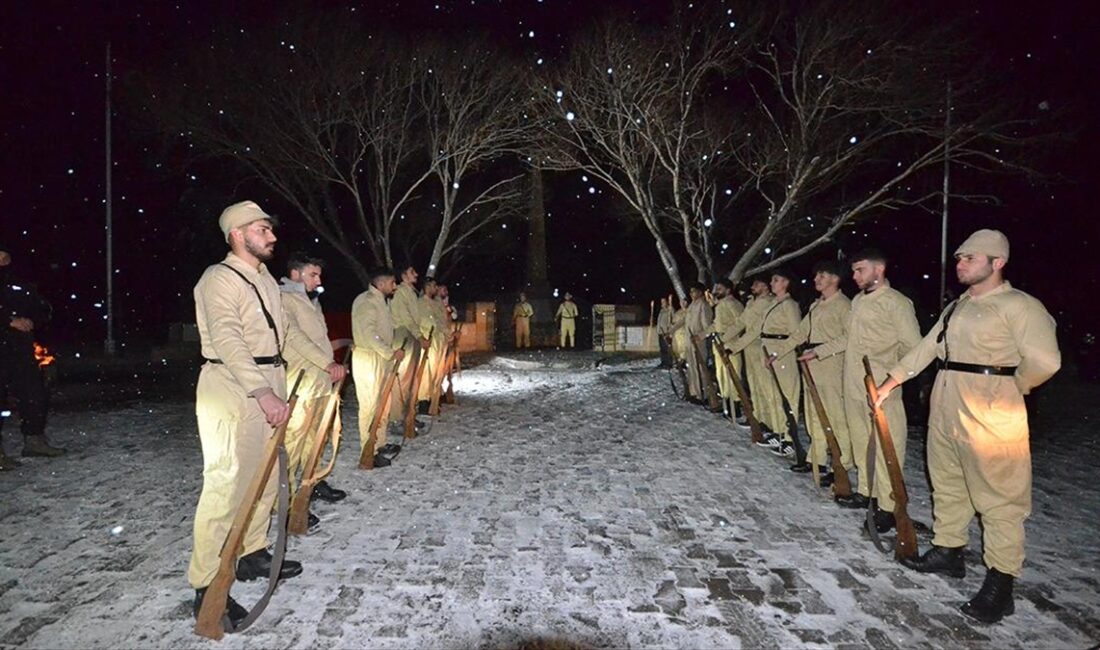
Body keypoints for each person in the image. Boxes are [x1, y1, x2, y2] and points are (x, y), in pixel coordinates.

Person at [876, 230, 1060, 624]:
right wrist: (890, 381)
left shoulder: (1019, 306)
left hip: (992, 410)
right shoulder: (957, 307)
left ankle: (1001, 582)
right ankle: (948, 550)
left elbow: (1046, 361)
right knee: (947, 480)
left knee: (1000, 498)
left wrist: (1010, 387)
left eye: (970, 258)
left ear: (997, 263)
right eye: (959, 257)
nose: (960, 263)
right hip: (946, 404)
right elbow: (928, 347)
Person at [189, 201, 320, 624]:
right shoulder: (219, 279)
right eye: (262, 229)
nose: (272, 237)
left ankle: (252, 553)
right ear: (237, 234)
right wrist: (262, 392)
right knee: (226, 485)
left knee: (264, 479)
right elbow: (229, 341)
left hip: (269, 382)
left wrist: (322, 365)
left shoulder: (264, 280)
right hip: (232, 387)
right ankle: (208, 585)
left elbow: (286, 337)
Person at [807, 248, 921, 533]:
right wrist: (818, 352)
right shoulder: (858, 301)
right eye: (854, 271)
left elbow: (913, 347)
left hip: (881, 386)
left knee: (886, 447)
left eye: (860, 270)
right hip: (853, 384)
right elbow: (849, 338)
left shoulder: (896, 303)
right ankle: (867, 492)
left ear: (878, 270)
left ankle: (888, 506)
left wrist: (893, 379)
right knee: (860, 441)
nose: (854, 276)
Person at [279, 253, 349, 523]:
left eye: (318, 275)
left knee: (315, 441)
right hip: (300, 381)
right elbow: (293, 337)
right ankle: (283, 503)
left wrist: (329, 363)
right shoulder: (283, 299)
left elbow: (319, 339)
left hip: (319, 380)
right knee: (292, 445)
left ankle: (312, 484)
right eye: (312, 275)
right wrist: (326, 362)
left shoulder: (312, 301)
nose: (318, 280)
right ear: (295, 274)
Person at [770, 261, 852, 484]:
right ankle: (816, 458)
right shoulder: (817, 306)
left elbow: (849, 337)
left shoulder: (844, 305)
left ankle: (841, 464)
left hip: (831, 363)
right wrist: (778, 353)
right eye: (816, 276)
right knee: (814, 413)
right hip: (811, 362)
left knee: (834, 415)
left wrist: (819, 351)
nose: (816, 279)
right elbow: (799, 334)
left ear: (835, 279)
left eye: (822, 275)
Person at [0, 245, 64, 468]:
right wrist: (8, 321)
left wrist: (33, 320)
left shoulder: (18, 279)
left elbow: (41, 306)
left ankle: (34, 440)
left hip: (20, 347)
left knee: (34, 392)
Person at [351, 267, 404, 468]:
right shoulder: (366, 302)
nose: (394, 286)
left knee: (383, 403)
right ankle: (368, 450)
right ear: (381, 283)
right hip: (369, 359)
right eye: (392, 282)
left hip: (381, 358)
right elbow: (369, 334)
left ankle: (379, 443)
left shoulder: (381, 302)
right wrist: (390, 352)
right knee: (370, 406)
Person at [760, 269, 804, 459]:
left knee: (788, 395)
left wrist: (778, 353)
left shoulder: (790, 305)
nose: (772, 283)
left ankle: (789, 438)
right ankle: (779, 431)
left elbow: (796, 335)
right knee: (775, 395)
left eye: (776, 280)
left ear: (786, 283)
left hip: (782, 354)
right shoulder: (774, 304)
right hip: (770, 351)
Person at [728, 277, 778, 435]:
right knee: (754, 386)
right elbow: (740, 323)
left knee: (767, 388)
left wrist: (735, 346)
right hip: (748, 348)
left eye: (757, 283)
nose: (753, 286)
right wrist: (724, 340)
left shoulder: (769, 302)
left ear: (765, 286)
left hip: (760, 347)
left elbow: (756, 329)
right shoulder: (751, 303)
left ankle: (774, 425)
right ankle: (759, 418)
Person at [684, 282, 717, 408]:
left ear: (699, 292)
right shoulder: (692, 305)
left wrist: (701, 336)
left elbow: (707, 325)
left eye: (694, 291)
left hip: (698, 342)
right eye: (691, 291)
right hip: (689, 341)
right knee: (692, 368)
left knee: (700, 369)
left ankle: (704, 394)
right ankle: (694, 392)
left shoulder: (703, 305)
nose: (691, 294)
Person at [656, 297, 674, 369]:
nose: (662, 303)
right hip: (660, 332)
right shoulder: (661, 311)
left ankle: (669, 363)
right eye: (661, 302)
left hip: (666, 332)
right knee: (662, 349)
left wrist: (670, 330)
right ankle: (663, 362)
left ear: (667, 302)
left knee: (667, 349)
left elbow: (673, 320)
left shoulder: (670, 310)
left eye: (663, 302)